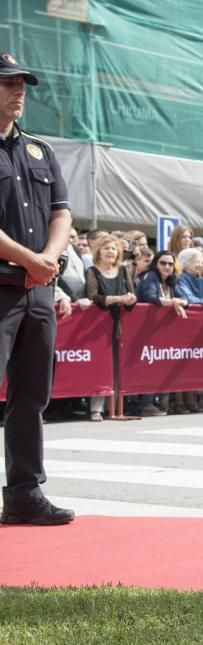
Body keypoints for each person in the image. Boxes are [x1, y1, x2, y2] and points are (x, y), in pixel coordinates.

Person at [0, 52, 75, 525]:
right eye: (9, 84)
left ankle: (25, 494)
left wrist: (48, 264)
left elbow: (61, 213)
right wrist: (31, 260)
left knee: (32, 396)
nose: (19, 91)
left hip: (38, 292)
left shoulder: (39, 151)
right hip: (3, 287)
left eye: (22, 84)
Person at [84, 234, 137, 419]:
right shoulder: (92, 271)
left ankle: (113, 407)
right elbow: (93, 297)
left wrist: (130, 299)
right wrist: (117, 299)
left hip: (120, 323)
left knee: (117, 364)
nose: (110, 251)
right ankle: (96, 408)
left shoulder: (123, 271)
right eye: (106, 248)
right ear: (99, 251)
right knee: (99, 366)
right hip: (98, 326)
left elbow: (131, 295)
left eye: (114, 248)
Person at [135, 250, 188, 417]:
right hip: (143, 329)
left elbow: (186, 299)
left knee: (164, 364)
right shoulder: (150, 276)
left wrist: (179, 302)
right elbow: (150, 298)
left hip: (163, 331)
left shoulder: (172, 280)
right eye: (163, 263)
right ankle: (147, 404)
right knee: (150, 366)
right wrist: (173, 302)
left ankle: (163, 402)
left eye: (170, 264)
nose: (167, 267)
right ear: (156, 264)